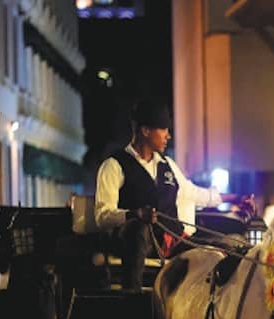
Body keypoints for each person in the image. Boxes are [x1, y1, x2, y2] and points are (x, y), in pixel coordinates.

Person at [94, 98, 229, 289]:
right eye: (164, 129)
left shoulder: (168, 165)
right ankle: (131, 296)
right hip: (134, 245)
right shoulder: (113, 166)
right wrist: (135, 214)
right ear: (146, 131)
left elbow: (193, 193)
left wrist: (235, 199)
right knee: (138, 231)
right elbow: (102, 216)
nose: (168, 136)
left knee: (221, 247)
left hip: (171, 242)